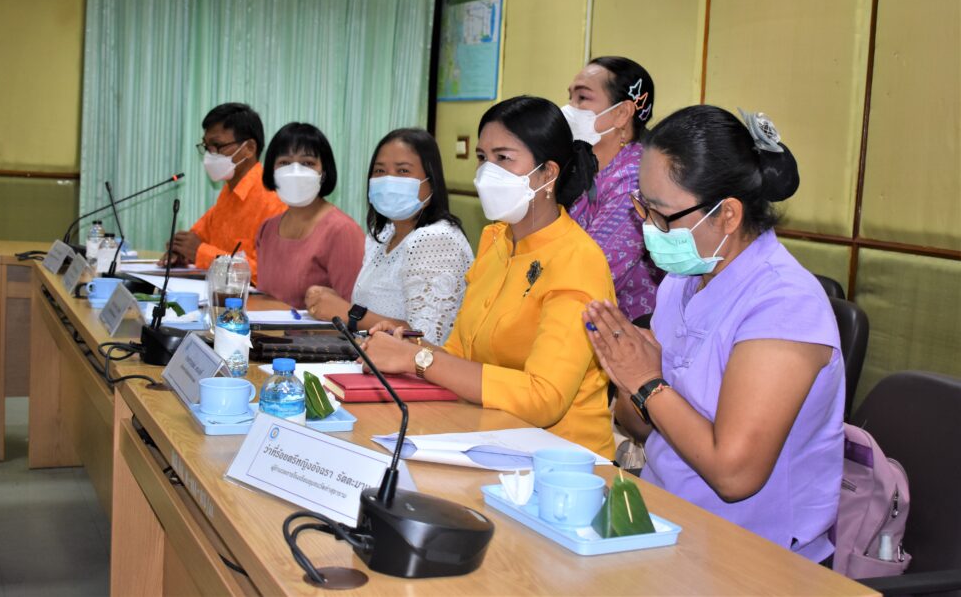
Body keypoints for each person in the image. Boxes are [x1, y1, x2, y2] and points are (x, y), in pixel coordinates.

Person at [583, 105, 844, 561]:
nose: (648, 227)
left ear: (727, 214)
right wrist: (628, 376)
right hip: (665, 518)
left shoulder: (785, 304)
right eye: (643, 206)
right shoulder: (682, 280)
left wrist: (646, 381)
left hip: (755, 553)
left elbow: (734, 476)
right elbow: (639, 426)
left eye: (662, 214)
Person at [361, 96, 616, 458]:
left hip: (561, 459)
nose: (486, 172)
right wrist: (410, 348)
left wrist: (418, 361)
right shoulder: (496, 240)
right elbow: (459, 356)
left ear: (548, 173)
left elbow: (545, 398)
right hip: (485, 434)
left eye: (503, 158)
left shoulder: (578, 260)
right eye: (482, 158)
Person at [303, 128, 472, 345]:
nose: (389, 180)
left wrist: (349, 313)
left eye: (403, 171)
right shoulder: (383, 234)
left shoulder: (435, 238)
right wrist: (333, 303)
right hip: (369, 357)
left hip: (408, 366)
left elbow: (425, 340)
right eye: (380, 171)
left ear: (431, 180)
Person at [563, 56, 660, 321]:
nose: (570, 108)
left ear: (621, 113)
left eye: (582, 98)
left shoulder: (636, 180)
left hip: (624, 327)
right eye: (570, 97)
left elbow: (590, 272)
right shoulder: (586, 166)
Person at [165, 103, 286, 283]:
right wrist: (179, 251)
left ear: (249, 148)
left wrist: (200, 253)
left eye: (217, 145)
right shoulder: (228, 193)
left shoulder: (275, 200)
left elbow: (268, 273)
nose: (210, 155)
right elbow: (195, 238)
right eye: (207, 147)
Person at [254, 123, 364, 309]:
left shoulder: (342, 231)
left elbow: (353, 310)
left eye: (307, 163)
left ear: (323, 173)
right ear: (272, 171)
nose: (295, 172)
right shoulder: (267, 229)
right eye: (284, 163)